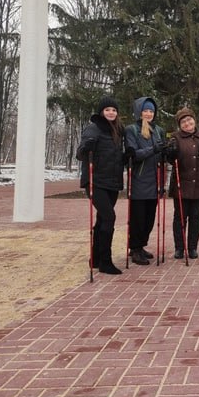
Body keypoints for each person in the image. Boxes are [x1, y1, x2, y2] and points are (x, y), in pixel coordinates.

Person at [76, 97, 125, 275]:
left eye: (114, 109)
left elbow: (115, 156)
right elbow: (80, 154)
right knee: (109, 217)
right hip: (95, 181)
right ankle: (105, 261)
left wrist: (127, 157)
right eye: (107, 110)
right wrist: (85, 148)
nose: (111, 112)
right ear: (101, 112)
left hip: (112, 182)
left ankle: (95, 258)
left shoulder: (118, 130)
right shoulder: (93, 128)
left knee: (102, 219)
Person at [125, 96, 166, 266]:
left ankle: (141, 246)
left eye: (151, 111)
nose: (149, 114)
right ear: (139, 112)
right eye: (145, 111)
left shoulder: (158, 131)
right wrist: (153, 149)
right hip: (139, 179)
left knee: (149, 218)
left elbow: (161, 157)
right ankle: (134, 248)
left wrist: (167, 151)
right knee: (138, 218)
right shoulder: (132, 130)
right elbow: (133, 155)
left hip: (155, 179)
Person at [166, 108, 199, 260]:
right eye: (183, 121)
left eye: (189, 120)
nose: (187, 123)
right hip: (181, 183)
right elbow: (170, 158)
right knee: (180, 217)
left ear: (194, 120)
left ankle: (193, 247)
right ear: (179, 124)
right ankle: (179, 247)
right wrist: (170, 153)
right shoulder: (175, 137)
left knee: (196, 217)